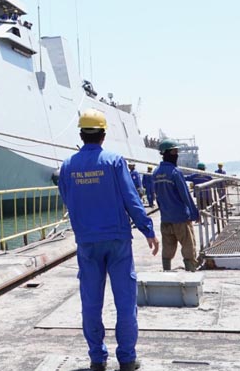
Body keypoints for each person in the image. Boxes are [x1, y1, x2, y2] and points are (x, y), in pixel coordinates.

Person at [57, 109, 158, 371]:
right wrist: (147, 229)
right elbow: (131, 198)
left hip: (87, 242)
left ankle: (97, 359)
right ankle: (127, 359)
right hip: (117, 240)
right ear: (103, 134)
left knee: (91, 303)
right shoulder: (114, 161)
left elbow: (68, 199)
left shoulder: (67, 166)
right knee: (125, 302)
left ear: (81, 134)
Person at [152, 139, 200, 271]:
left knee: (167, 248)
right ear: (167, 153)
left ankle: (166, 271)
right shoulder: (175, 172)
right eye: (175, 151)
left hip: (166, 219)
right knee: (188, 247)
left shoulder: (156, 173)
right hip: (181, 218)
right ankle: (191, 271)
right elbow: (185, 195)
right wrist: (194, 213)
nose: (177, 154)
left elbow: (157, 196)